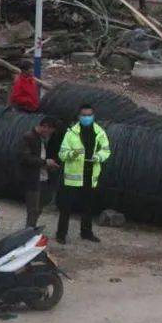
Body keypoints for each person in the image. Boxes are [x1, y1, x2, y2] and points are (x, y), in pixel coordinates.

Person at [56, 104, 111, 244]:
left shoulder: (100, 133)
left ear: (93, 116)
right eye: (84, 115)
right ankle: (61, 234)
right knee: (66, 207)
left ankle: (86, 233)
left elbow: (106, 150)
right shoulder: (71, 133)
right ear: (79, 116)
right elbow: (62, 154)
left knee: (88, 206)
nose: (86, 118)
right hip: (73, 178)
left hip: (90, 175)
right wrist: (71, 154)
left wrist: (99, 157)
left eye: (89, 115)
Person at [18, 116, 60, 228]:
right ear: (45, 127)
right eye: (49, 132)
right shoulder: (28, 137)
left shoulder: (41, 139)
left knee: (40, 206)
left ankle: (31, 228)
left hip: (42, 177)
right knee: (33, 209)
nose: (49, 135)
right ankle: (28, 231)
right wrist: (45, 162)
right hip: (32, 178)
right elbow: (25, 158)